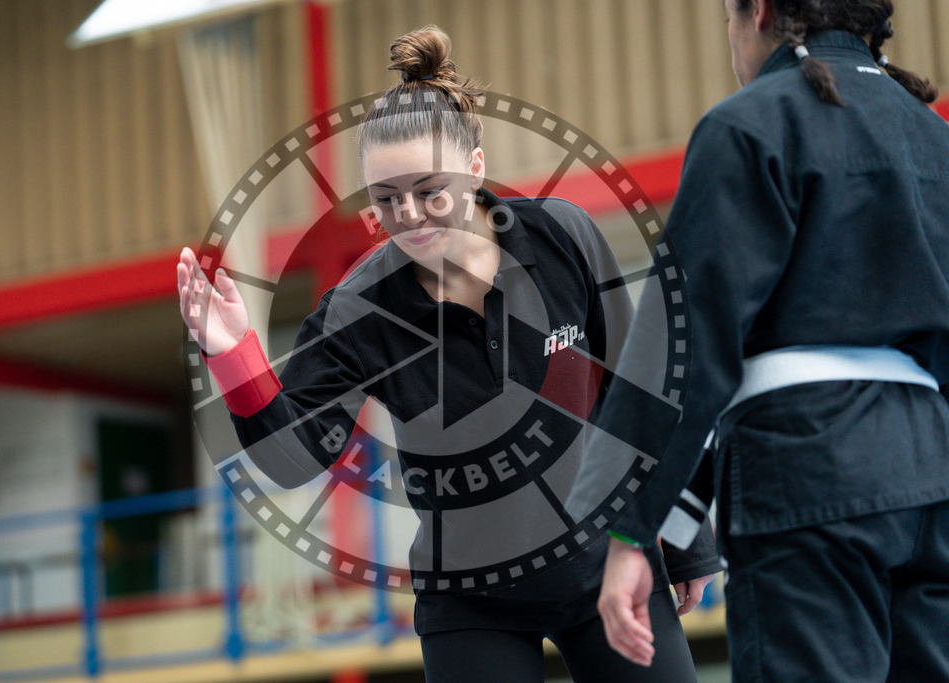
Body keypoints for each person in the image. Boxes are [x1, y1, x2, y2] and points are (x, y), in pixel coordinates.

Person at [178, 25, 719, 683]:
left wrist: (687, 545)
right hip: (470, 600)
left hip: (601, 563)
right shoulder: (359, 309)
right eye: (385, 199)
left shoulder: (562, 237)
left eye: (429, 188)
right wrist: (235, 354)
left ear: (476, 169)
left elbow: (642, 390)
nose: (409, 215)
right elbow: (289, 459)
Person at [585, 1, 949, 680]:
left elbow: (686, 342)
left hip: (808, 467)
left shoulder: (750, 124)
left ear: (758, 12)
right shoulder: (934, 139)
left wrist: (633, 525)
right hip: (931, 470)